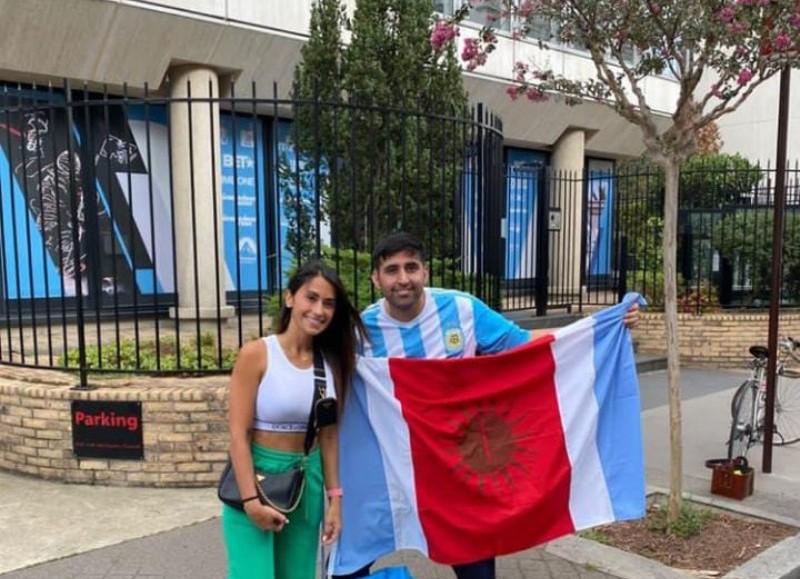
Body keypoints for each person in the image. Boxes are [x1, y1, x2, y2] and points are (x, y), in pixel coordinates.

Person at [335, 231, 639, 579]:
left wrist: (601, 325)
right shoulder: (361, 331)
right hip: (394, 466)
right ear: (376, 278)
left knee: (477, 572)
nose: (403, 279)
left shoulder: (461, 309)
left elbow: (526, 347)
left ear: (426, 272)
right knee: (349, 565)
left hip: (458, 470)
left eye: (411, 267)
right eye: (391, 270)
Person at [223, 261, 367, 579]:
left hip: (307, 481)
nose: (319, 310)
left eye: (328, 304)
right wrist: (250, 502)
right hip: (256, 478)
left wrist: (335, 501)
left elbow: (328, 437)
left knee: (298, 574)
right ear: (290, 299)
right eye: (311, 298)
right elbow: (238, 435)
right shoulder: (258, 354)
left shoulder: (331, 364)